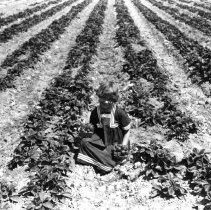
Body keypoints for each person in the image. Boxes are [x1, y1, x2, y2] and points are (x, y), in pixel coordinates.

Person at [77, 81, 131, 174]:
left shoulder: (119, 113)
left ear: (114, 99)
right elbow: (92, 130)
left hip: (116, 142)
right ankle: (106, 162)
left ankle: (105, 162)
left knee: (116, 152)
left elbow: (127, 131)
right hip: (101, 140)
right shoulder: (95, 112)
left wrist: (123, 146)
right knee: (84, 142)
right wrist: (85, 131)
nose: (106, 101)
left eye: (109, 99)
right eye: (103, 98)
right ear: (99, 97)